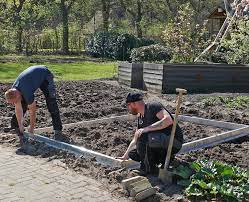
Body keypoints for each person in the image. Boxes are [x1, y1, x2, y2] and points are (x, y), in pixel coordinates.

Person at [117, 92, 183, 175]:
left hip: (174, 142)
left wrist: (146, 129)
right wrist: (125, 156)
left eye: (128, 105)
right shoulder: (140, 117)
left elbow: (168, 120)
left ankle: (147, 169)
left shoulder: (152, 106)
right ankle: (166, 160)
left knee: (143, 136)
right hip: (161, 143)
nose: (128, 108)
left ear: (134, 104)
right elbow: (136, 138)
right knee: (134, 153)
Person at [4, 65, 63, 145]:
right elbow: (18, 108)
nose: (14, 103)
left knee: (51, 103)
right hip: (33, 77)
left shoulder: (26, 92)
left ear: (17, 95)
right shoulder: (14, 90)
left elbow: (33, 111)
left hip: (45, 75)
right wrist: (20, 125)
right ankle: (16, 127)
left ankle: (58, 130)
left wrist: (31, 129)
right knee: (22, 102)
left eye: (14, 101)